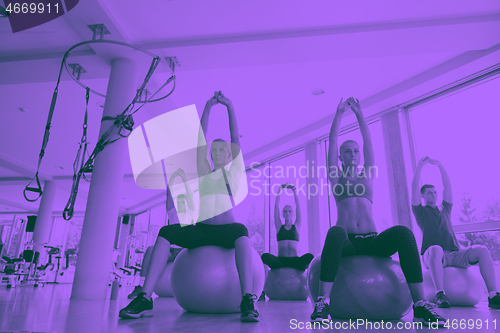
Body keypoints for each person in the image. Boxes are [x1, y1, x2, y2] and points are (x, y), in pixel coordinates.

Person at [119, 91, 260, 322]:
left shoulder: (233, 173)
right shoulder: (203, 171)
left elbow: (235, 137)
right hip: (202, 230)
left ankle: (247, 299)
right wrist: (207, 107)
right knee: (165, 232)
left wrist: (229, 106)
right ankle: (145, 296)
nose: (217, 152)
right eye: (213, 150)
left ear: (229, 155)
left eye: (222, 150)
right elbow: (199, 140)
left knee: (242, 233)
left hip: (227, 230)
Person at [310, 97, 446, 326]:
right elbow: (332, 141)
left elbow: (368, 142)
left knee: (404, 233)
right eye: (347, 152)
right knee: (334, 232)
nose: (353, 154)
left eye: (355, 152)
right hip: (348, 244)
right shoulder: (336, 177)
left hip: (372, 241)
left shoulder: (368, 174)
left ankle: (420, 305)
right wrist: (340, 113)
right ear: (341, 158)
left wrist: (361, 114)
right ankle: (323, 302)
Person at [411, 156, 500, 308]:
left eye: (435, 192)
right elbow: (413, 188)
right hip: (433, 255)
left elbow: (448, 187)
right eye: (430, 193)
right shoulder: (420, 211)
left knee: (482, 250)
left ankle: (493, 296)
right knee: (436, 249)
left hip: (454, 254)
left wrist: (439, 166)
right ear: (423, 195)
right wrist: (420, 166)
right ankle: (440, 294)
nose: (434, 195)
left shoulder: (445, 208)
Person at [127, 168, 195, 299]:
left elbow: (190, 195)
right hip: (170, 251)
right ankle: (141, 287)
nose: (180, 204)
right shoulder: (172, 213)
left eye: (183, 202)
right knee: (150, 250)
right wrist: (172, 178)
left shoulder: (190, 213)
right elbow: (169, 196)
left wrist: (185, 180)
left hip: (185, 252)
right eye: (179, 202)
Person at [261, 183, 313, 270]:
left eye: (289, 211)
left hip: (295, 261)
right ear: (283, 214)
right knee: (264, 256)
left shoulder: (297, 226)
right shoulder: (279, 226)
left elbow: (298, 206)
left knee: (310, 256)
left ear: (293, 214)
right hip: (280, 261)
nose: (287, 213)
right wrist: (280, 189)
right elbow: (276, 206)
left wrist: (294, 190)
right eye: (285, 211)